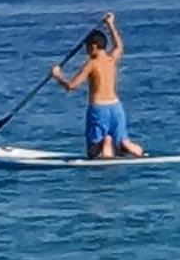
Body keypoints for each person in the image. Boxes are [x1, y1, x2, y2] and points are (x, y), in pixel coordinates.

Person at [51, 12, 144, 159]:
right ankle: (126, 144)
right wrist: (111, 24)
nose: (86, 51)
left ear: (94, 46)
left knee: (93, 152)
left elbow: (72, 86)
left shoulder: (91, 64)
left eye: (87, 47)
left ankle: (106, 143)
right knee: (121, 145)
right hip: (116, 107)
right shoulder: (111, 60)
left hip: (99, 109)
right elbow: (119, 45)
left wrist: (57, 76)